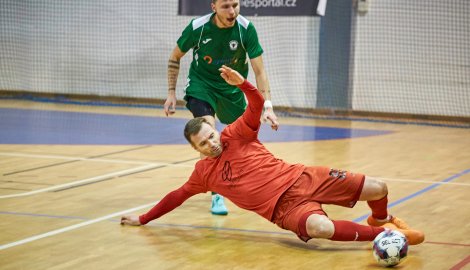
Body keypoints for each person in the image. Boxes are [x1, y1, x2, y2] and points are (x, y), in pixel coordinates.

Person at [122, 66, 425, 246]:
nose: (211, 143)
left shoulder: (235, 134)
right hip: (283, 210)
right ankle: (383, 236)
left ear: (214, 130)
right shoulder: (204, 175)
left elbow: (255, 104)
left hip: (305, 178)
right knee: (321, 228)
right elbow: (176, 196)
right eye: (203, 144)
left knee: (379, 187)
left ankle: (381, 217)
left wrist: (243, 83)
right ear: (195, 150)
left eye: (210, 135)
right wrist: (144, 218)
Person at [164, 0, 279, 215]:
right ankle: (217, 193)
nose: (232, 11)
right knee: (207, 129)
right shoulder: (197, 27)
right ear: (213, 7)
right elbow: (175, 56)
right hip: (202, 85)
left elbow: (260, 71)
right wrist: (171, 92)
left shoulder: (246, 29)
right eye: (225, 6)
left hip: (232, 90)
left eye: (235, 5)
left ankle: (260, 182)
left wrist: (268, 106)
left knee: (244, 140)